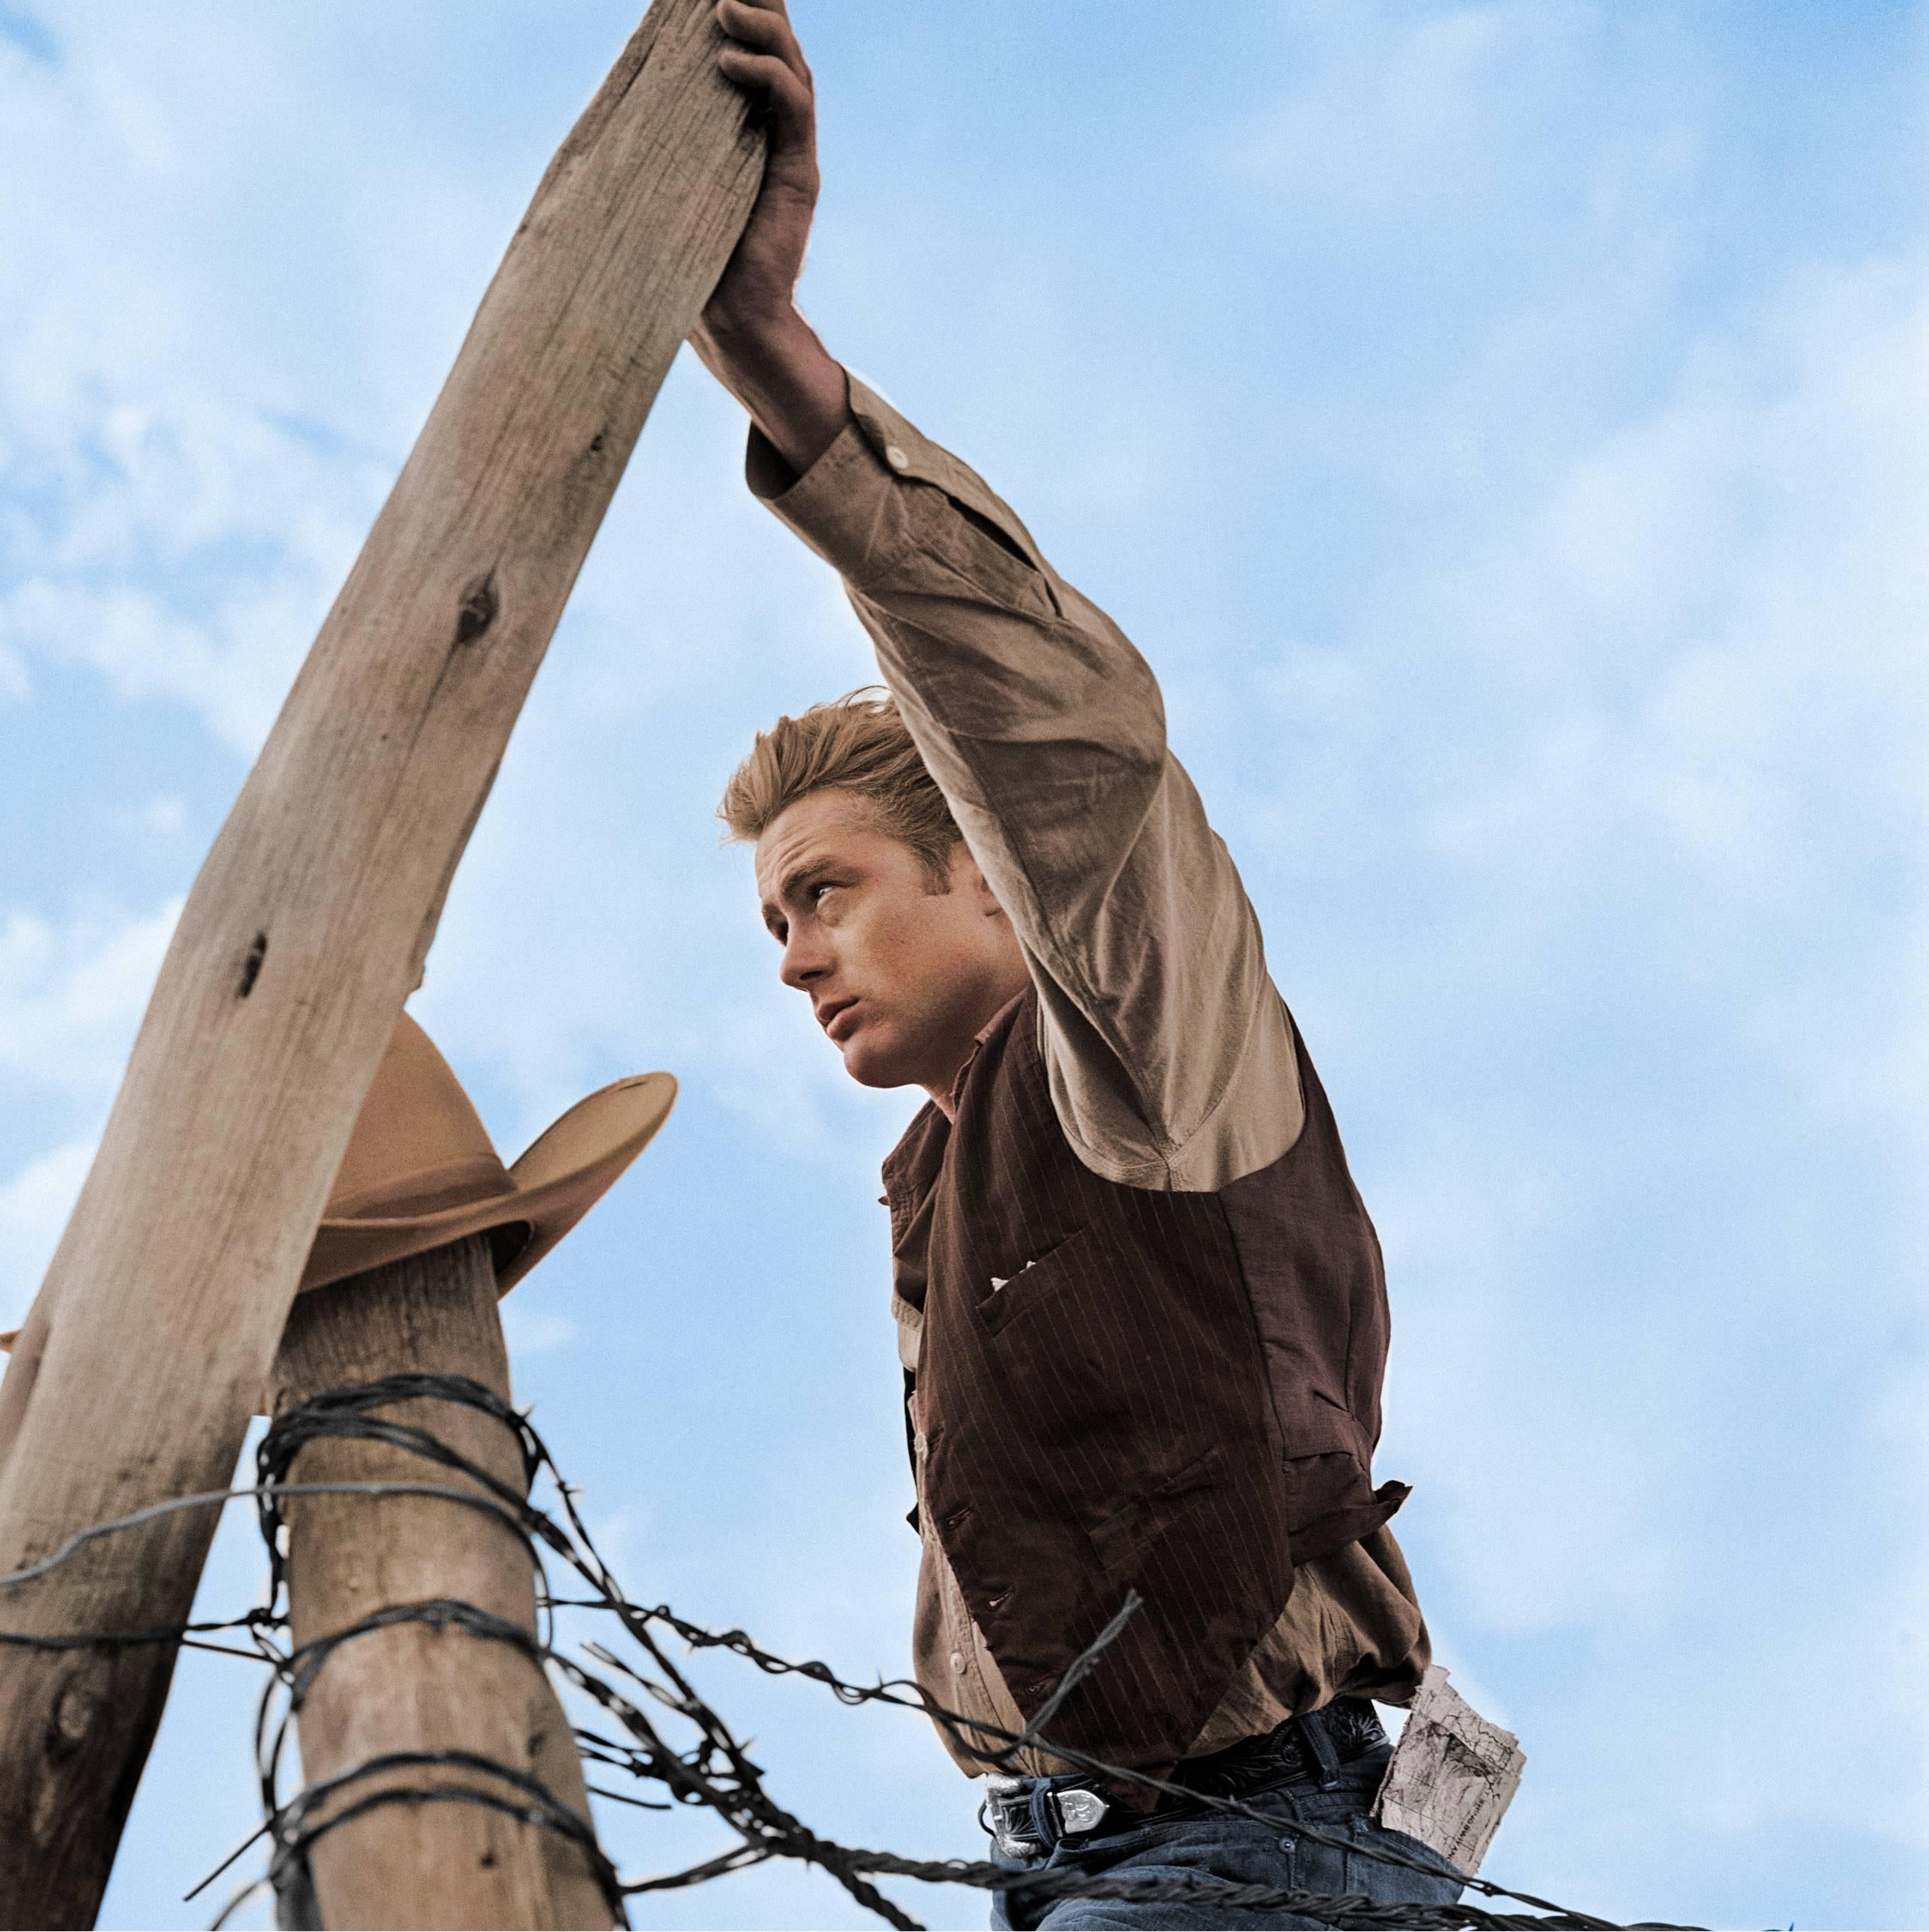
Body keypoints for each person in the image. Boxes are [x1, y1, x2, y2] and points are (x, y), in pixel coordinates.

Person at [695, 5, 1467, 1924]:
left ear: (982, 868)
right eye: (771, 922)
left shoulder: (1142, 1041)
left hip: (1250, 1855)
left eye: (825, 888)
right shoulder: (946, 1176)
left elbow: (1074, 744)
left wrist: (789, 381)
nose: (795, 957)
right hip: (1098, 1868)